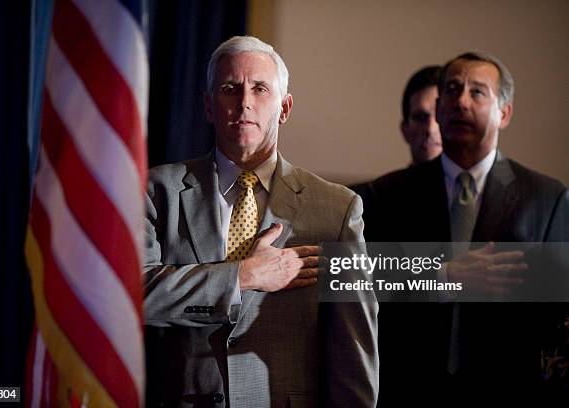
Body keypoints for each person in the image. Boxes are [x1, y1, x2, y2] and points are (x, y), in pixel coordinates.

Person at [143, 36, 378, 408]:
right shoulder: (156, 190)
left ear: (284, 108)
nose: (244, 102)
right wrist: (242, 277)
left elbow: (352, 343)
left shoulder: (336, 208)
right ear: (208, 105)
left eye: (259, 88)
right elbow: (133, 296)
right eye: (229, 88)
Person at [356, 52, 568, 407]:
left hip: (509, 388)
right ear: (439, 109)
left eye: (477, 92)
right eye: (452, 91)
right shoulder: (385, 195)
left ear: (505, 113)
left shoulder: (547, 197)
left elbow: (559, 313)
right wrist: (443, 277)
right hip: (405, 387)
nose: (461, 102)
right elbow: (351, 279)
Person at [400, 65, 443, 164]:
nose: (430, 129)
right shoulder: (388, 180)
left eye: (441, 115)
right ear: (405, 130)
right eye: (420, 117)